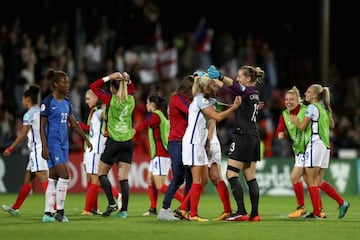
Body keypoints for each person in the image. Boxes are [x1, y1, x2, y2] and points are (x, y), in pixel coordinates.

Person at [177, 72, 241, 222]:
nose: (215, 86)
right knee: (199, 180)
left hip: (200, 142)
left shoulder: (207, 100)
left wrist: (244, 103)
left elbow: (224, 106)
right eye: (212, 84)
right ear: (204, 86)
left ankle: (184, 210)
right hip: (194, 143)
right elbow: (217, 117)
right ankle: (192, 214)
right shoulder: (200, 100)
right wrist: (235, 107)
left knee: (204, 179)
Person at [207, 64, 264, 221]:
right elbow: (228, 89)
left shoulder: (247, 91)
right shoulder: (254, 94)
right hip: (254, 136)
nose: (237, 79)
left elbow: (232, 85)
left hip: (243, 136)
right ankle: (254, 214)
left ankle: (241, 211)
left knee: (231, 174)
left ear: (248, 78)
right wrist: (212, 78)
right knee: (250, 176)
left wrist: (219, 75)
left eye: (240, 76)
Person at [289, 84, 350, 219]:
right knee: (319, 181)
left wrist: (294, 121)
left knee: (311, 180)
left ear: (315, 95)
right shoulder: (324, 108)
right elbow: (332, 124)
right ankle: (342, 203)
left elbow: (303, 126)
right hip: (325, 146)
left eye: (309, 91)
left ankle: (317, 212)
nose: (306, 93)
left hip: (315, 144)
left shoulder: (312, 107)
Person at [40, 68, 93, 223]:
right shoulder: (48, 102)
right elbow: (41, 127)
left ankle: (48, 213)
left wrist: (85, 139)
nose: (67, 85)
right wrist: (44, 146)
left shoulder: (67, 103)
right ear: (55, 84)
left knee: (53, 178)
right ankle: (60, 212)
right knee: (65, 175)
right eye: (64, 82)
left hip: (64, 145)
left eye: (68, 82)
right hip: (53, 143)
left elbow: (74, 123)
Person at [275, 86, 327, 218]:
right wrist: (281, 133)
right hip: (299, 150)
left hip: (309, 149)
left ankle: (303, 208)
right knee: (310, 180)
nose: (288, 102)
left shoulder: (306, 110)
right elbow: (280, 128)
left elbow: (311, 124)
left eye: (291, 99)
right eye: (286, 99)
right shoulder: (284, 114)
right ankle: (319, 210)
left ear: (298, 100)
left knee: (298, 178)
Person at [89, 71, 135, 218]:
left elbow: (93, 87)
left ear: (112, 88)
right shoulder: (131, 100)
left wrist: (109, 77)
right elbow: (131, 89)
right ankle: (124, 211)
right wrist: (128, 80)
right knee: (123, 177)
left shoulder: (111, 100)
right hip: (128, 141)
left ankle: (112, 203)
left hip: (114, 141)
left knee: (101, 174)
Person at [1, 84, 49, 217]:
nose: (22, 101)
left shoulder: (29, 114)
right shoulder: (41, 111)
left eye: (23, 99)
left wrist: (11, 148)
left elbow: (22, 134)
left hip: (37, 151)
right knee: (27, 179)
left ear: (27, 99)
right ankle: (16, 208)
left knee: (44, 179)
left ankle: (55, 210)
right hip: (40, 148)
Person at [134, 92, 183, 216]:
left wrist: (133, 131)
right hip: (158, 154)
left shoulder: (156, 115)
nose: (146, 105)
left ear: (152, 104)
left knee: (160, 185)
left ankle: (185, 203)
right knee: (150, 180)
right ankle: (152, 209)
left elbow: (145, 124)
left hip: (161, 154)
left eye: (147, 102)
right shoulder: (162, 115)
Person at [78, 89, 122, 216]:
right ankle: (94, 208)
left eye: (88, 99)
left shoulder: (98, 112)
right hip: (90, 149)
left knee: (96, 180)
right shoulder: (93, 112)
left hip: (96, 151)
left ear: (97, 98)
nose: (86, 102)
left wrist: (111, 107)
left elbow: (106, 115)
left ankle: (88, 209)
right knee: (93, 180)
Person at [157, 75, 194, 221]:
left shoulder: (188, 100)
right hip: (176, 142)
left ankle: (185, 209)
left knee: (190, 177)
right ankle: (164, 209)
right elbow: (190, 111)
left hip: (186, 142)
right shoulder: (177, 98)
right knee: (178, 176)